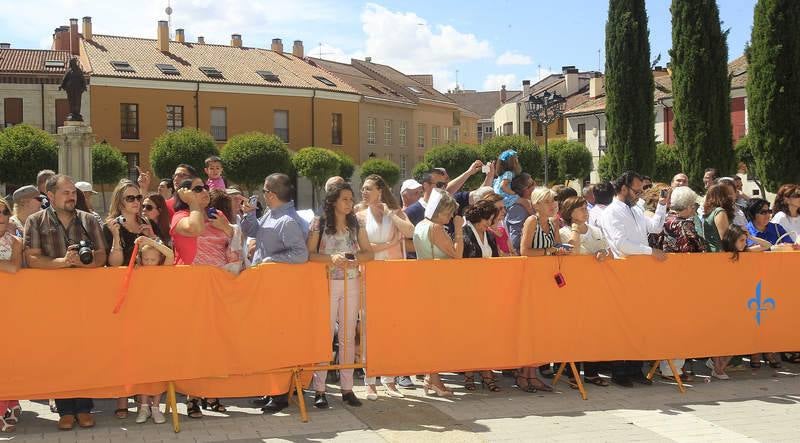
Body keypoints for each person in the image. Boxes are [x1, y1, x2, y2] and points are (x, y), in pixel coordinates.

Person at [23, 174, 107, 430]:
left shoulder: (89, 220)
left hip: (85, 300)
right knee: (59, 353)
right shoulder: (35, 221)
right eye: (66, 192)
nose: (72, 196)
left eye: (73, 192)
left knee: (84, 352)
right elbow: (32, 258)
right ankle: (65, 410)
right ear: (50, 196)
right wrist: (63, 263)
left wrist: (84, 263)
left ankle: (84, 408)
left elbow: (101, 255)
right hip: (52, 302)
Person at [240, 173, 309, 413]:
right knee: (266, 342)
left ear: (271, 194)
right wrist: (249, 214)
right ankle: (271, 389)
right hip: (267, 290)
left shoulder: (287, 221)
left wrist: (271, 261)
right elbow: (252, 231)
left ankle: (280, 394)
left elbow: (300, 254)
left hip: (280, 293)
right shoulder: (272, 214)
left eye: (264, 190)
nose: (263, 194)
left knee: (278, 343)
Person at [170, 177, 233, 417]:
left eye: (205, 187)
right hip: (191, 291)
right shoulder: (180, 217)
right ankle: (192, 396)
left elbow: (234, 248)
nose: (204, 191)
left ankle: (211, 392)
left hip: (219, 288)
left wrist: (228, 229)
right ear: (184, 194)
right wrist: (193, 204)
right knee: (194, 344)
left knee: (215, 344)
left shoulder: (217, 216)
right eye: (197, 189)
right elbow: (194, 229)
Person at [308, 183, 373, 408]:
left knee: (347, 335)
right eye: (345, 199)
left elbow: (369, 253)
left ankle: (347, 388)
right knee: (324, 335)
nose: (349, 203)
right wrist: (331, 259)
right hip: (325, 283)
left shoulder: (357, 223)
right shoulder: (319, 222)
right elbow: (310, 254)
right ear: (333, 200)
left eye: (351, 199)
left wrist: (353, 259)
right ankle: (319, 388)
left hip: (351, 282)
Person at [599, 171, 667, 388]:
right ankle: (619, 371)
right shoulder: (611, 212)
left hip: (640, 274)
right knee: (622, 324)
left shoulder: (636, 209)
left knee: (639, 323)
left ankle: (635, 368)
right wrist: (650, 251)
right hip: (621, 274)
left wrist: (662, 206)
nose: (640, 194)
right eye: (636, 191)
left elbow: (655, 227)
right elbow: (622, 245)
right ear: (623, 188)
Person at [355, 174, 414, 399]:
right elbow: (363, 247)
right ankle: (370, 380)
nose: (364, 192)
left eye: (368, 188)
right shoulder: (359, 216)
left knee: (392, 327)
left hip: (392, 277)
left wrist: (391, 214)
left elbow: (410, 232)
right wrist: (389, 243)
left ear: (380, 190)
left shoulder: (395, 212)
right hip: (368, 277)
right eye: (363, 188)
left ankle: (389, 379)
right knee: (368, 329)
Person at [653, 187, 708, 381]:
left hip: (663, 279)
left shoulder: (664, 220)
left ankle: (665, 366)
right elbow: (698, 249)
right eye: (694, 205)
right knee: (681, 325)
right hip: (683, 281)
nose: (695, 209)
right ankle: (673, 368)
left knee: (667, 324)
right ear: (689, 206)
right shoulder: (685, 225)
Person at [412, 188, 462, 397]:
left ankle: (430, 377)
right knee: (437, 335)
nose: (451, 217)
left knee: (431, 333)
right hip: (438, 285)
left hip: (426, 284)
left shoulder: (420, 225)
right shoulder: (436, 228)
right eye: (448, 213)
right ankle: (434, 379)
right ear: (439, 212)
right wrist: (458, 229)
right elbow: (457, 254)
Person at [558, 195, 611, 387]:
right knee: (574, 330)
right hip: (573, 290)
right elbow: (572, 252)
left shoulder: (595, 230)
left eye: (585, 208)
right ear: (570, 212)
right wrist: (575, 230)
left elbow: (609, 252)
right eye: (580, 208)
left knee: (592, 331)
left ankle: (591, 372)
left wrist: (604, 253)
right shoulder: (563, 232)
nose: (585, 211)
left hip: (595, 288)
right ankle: (571, 373)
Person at [460, 199, 503, 392]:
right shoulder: (463, 233)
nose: (490, 223)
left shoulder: (490, 236)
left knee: (487, 334)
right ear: (479, 216)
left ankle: (487, 372)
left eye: (492, 220)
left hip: (488, 290)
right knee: (470, 335)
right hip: (469, 291)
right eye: (488, 219)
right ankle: (468, 374)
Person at [128, 235, 172, 424]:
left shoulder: (164, 270)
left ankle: (156, 406)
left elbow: (170, 255)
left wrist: (151, 242)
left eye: (153, 259)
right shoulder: (137, 271)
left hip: (160, 326)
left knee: (159, 366)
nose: (149, 262)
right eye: (146, 259)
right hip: (142, 326)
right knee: (143, 367)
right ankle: (144, 406)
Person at [0, 197, 22, 433]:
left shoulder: (16, 241)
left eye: (4, 213)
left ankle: (11, 402)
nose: (1, 217)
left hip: (10, 307)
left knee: (9, 356)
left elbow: (14, 267)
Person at [104, 180, 161, 268]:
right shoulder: (110, 226)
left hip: (147, 275)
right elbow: (115, 264)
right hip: (123, 276)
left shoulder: (147, 223)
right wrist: (116, 237)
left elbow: (160, 257)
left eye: (138, 197)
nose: (136, 201)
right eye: (130, 198)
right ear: (119, 202)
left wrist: (152, 237)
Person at [506, 173, 535, 254]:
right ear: (525, 190)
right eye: (532, 184)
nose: (536, 186)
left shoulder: (531, 205)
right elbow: (515, 241)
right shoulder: (517, 209)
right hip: (521, 257)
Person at [703, 184, 736, 252]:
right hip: (720, 253)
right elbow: (725, 239)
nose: (730, 196)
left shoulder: (710, 212)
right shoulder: (720, 212)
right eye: (728, 194)